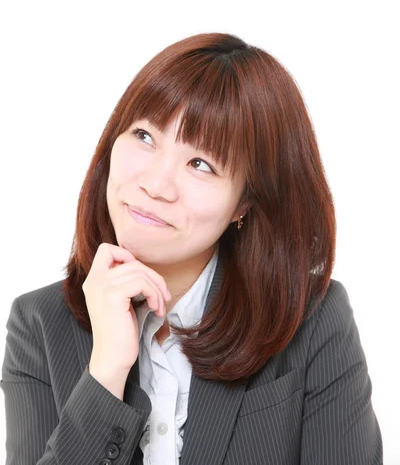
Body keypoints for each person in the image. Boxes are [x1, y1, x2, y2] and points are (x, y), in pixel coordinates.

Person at [0, 32, 383, 464]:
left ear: (244, 202)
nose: (156, 185)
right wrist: (106, 372)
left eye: (201, 164)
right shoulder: (38, 325)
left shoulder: (312, 320)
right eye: (144, 136)